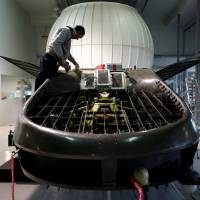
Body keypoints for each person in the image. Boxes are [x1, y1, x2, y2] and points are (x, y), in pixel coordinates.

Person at [35, 25, 85, 90]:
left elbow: (67, 53)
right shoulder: (66, 31)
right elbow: (56, 43)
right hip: (49, 58)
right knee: (43, 79)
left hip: (52, 60)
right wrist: (62, 59)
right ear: (78, 32)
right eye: (79, 36)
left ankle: (41, 96)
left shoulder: (68, 37)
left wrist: (75, 63)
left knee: (48, 80)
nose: (77, 38)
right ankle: (36, 97)